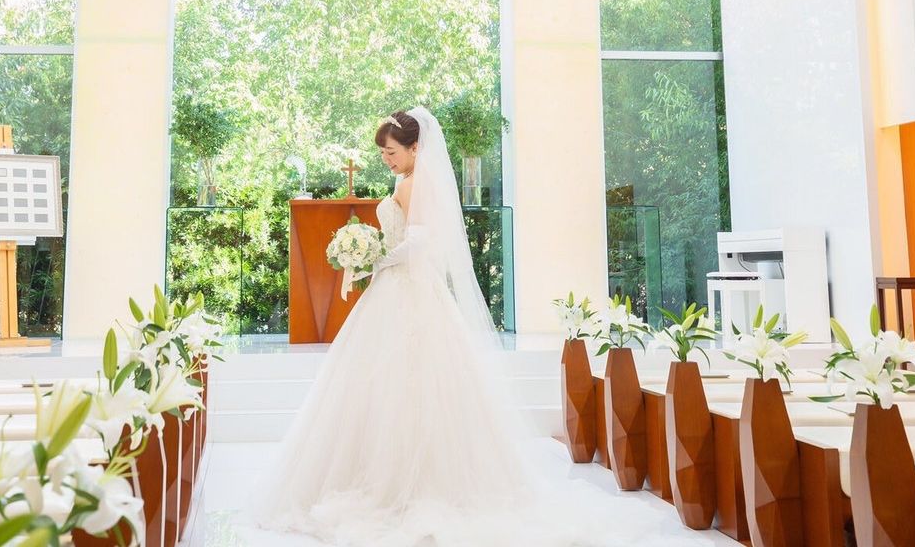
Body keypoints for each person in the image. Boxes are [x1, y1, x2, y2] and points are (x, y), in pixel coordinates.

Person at [253, 107, 639, 547]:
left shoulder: (417, 184)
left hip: (408, 290)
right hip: (397, 290)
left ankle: (410, 487)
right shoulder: (409, 181)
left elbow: (418, 243)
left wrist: (374, 260)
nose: (386, 159)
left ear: (416, 147)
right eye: (383, 153)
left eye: (392, 151)